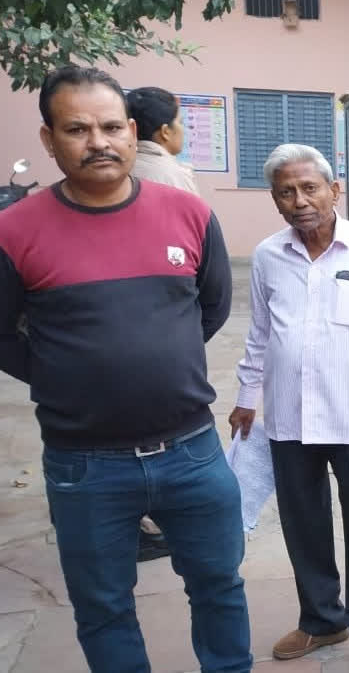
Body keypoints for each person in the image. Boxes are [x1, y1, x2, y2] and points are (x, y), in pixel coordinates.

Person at [0, 66, 246, 672]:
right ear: (48, 138)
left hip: (193, 453)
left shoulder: (188, 215)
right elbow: (2, 335)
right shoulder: (13, 231)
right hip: (85, 466)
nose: (98, 141)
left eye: (111, 126)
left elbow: (211, 307)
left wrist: (157, 358)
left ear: (134, 133)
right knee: (103, 606)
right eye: (77, 129)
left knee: (219, 586)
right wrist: (65, 375)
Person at [229, 144, 349, 672]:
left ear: (335, 190)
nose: (300, 200)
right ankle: (321, 619)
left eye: (310, 188)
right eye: (287, 191)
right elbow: (260, 332)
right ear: (276, 200)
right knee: (303, 523)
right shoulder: (267, 256)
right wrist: (245, 397)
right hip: (289, 417)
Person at [126, 85, 203, 564]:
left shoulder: (120, 173)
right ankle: (153, 515)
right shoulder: (171, 178)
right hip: (164, 330)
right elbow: (206, 275)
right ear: (164, 129)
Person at [126, 86, 199, 195]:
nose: (184, 129)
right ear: (165, 131)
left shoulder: (120, 169)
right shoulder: (175, 177)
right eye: (181, 122)